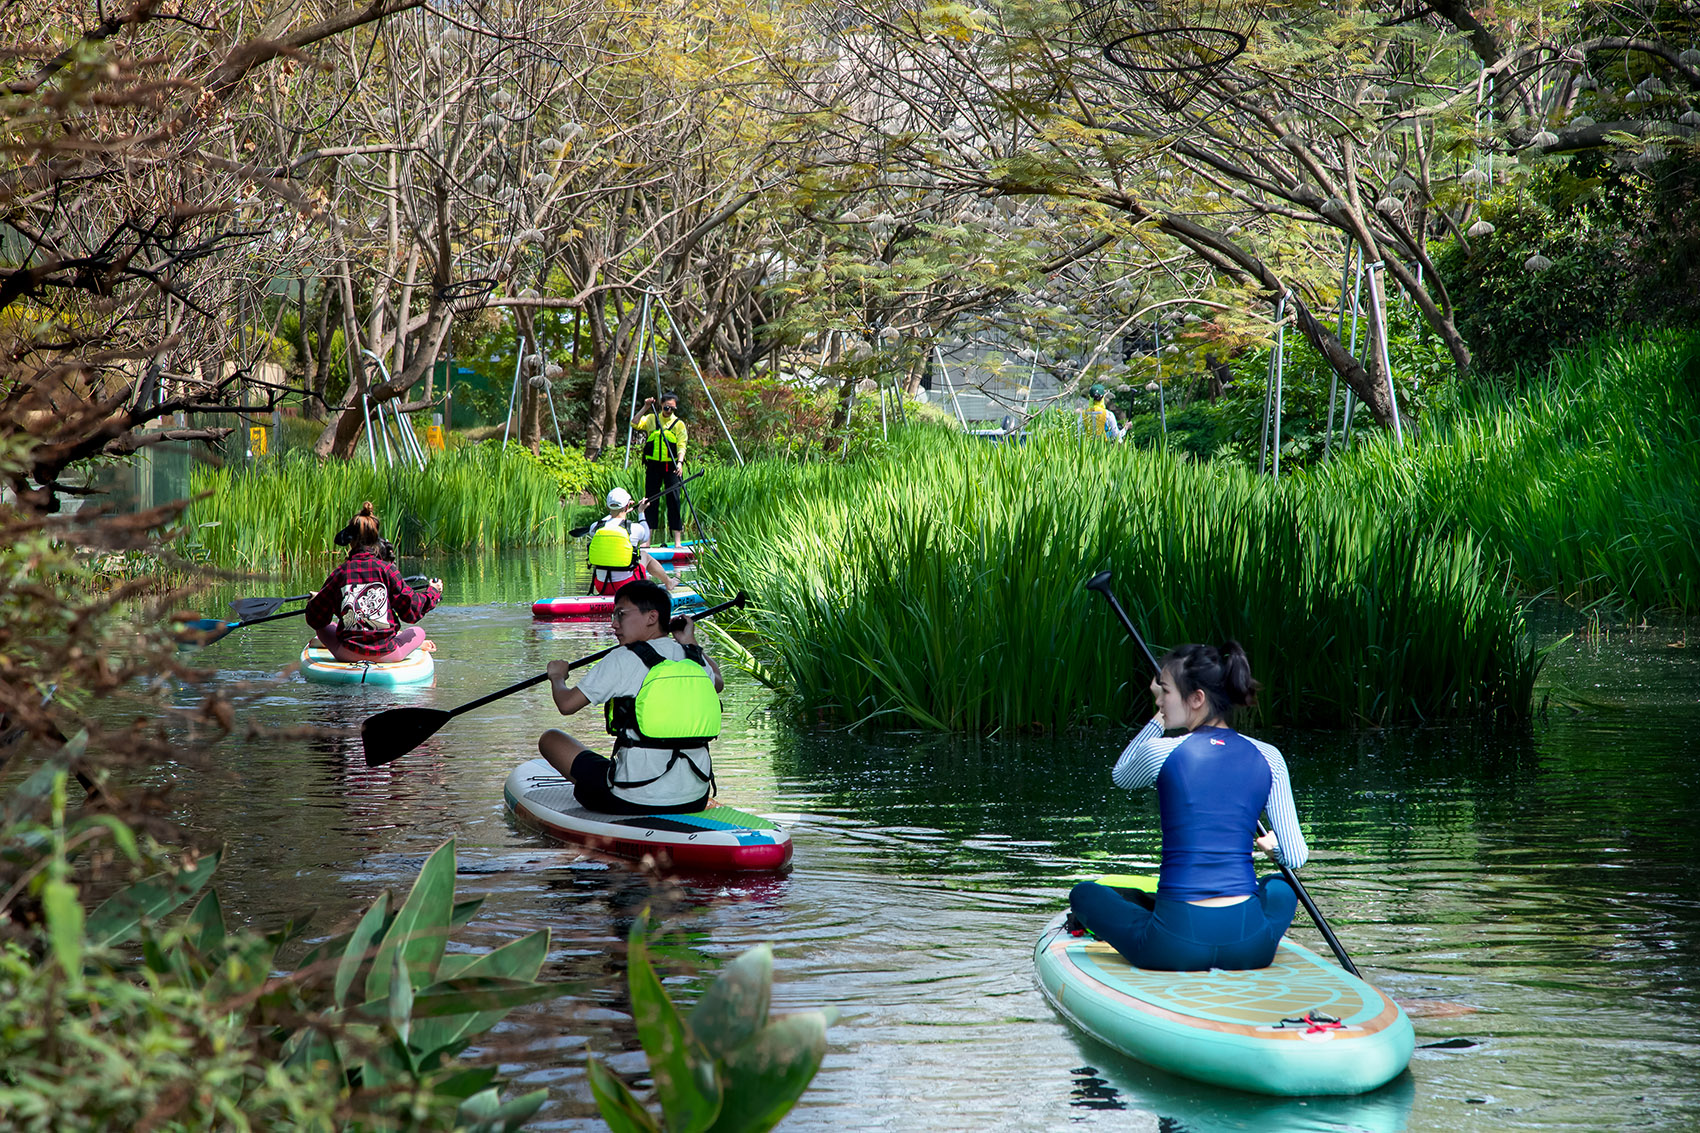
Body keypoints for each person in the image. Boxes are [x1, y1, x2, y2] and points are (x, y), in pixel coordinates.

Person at [1068, 642, 1307, 971]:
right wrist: (1273, 847)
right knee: (1280, 887)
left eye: (1164, 692)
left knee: (1084, 894)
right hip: (1250, 948)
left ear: (1197, 699)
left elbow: (1122, 775)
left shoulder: (1161, 752)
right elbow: (1295, 857)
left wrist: (1158, 722)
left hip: (1172, 947)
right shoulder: (1270, 757)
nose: (1158, 699)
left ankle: (1147, 909)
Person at [538, 580, 722, 814]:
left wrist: (557, 677)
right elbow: (718, 681)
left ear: (651, 617)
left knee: (550, 738)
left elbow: (566, 704)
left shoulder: (622, 658)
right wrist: (689, 642)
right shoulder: (693, 658)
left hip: (631, 799)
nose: (613, 624)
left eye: (620, 614)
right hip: (695, 797)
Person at [305, 502, 442, 662]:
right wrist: (433, 592)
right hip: (386, 654)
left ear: (351, 541)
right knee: (418, 632)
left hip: (347, 653)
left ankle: (329, 641)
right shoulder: (387, 569)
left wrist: (317, 600)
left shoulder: (341, 572)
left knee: (324, 629)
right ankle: (412, 645)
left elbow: (316, 620)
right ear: (375, 539)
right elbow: (412, 610)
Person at [587, 487, 676, 595]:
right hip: (627, 587)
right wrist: (641, 512)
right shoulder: (634, 529)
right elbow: (646, 536)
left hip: (602, 586)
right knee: (643, 555)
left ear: (607, 506)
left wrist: (617, 512)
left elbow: (607, 521)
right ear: (627, 505)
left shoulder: (595, 528)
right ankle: (669, 582)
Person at [633, 392, 687, 545]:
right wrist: (646, 407)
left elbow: (682, 444)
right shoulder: (652, 419)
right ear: (661, 405)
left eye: (672, 408)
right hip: (654, 466)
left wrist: (680, 462)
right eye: (666, 407)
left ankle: (677, 541)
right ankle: (647, 540)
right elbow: (634, 423)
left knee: (674, 501)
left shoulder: (678, 424)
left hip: (671, 467)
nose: (669, 411)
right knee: (651, 501)